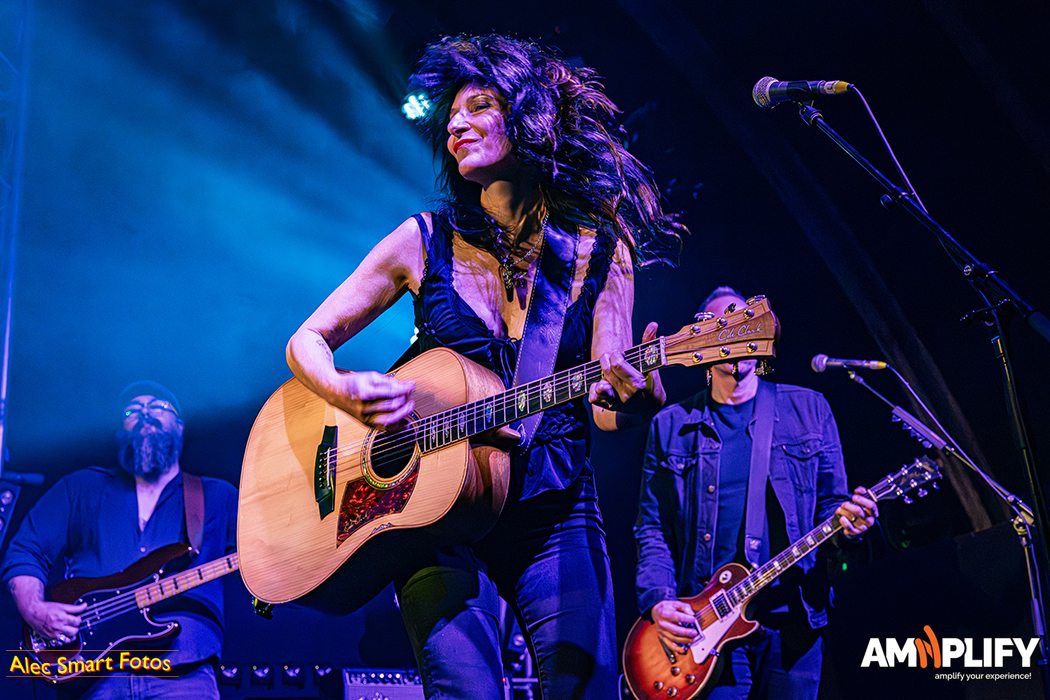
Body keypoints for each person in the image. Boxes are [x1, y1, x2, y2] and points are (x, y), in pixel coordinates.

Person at [285, 33, 684, 699]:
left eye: (478, 106)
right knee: (465, 691)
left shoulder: (599, 248)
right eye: (451, 116)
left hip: (550, 506)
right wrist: (346, 392)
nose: (456, 126)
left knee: (584, 689)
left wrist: (636, 398)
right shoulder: (422, 240)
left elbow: (607, 408)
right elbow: (306, 341)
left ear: (528, 116)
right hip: (429, 512)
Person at [634, 287, 878, 699]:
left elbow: (832, 507)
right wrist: (659, 600)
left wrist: (851, 526)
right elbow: (652, 528)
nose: (737, 334)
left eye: (747, 323)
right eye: (723, 325)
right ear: (700, 342)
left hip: (794, 620)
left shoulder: (809, 408)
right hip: (705, 627)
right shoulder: (671, 425)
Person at [2, 381, 238, 700]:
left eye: (158, 407)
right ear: (119, 432)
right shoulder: (81, 487)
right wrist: (33, 609)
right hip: (92, 677)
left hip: (183, 677)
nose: (144, 414)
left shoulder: (217, 495)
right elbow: (25, 550)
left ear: (180, 427)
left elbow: (269, 550)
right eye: (132, 411)